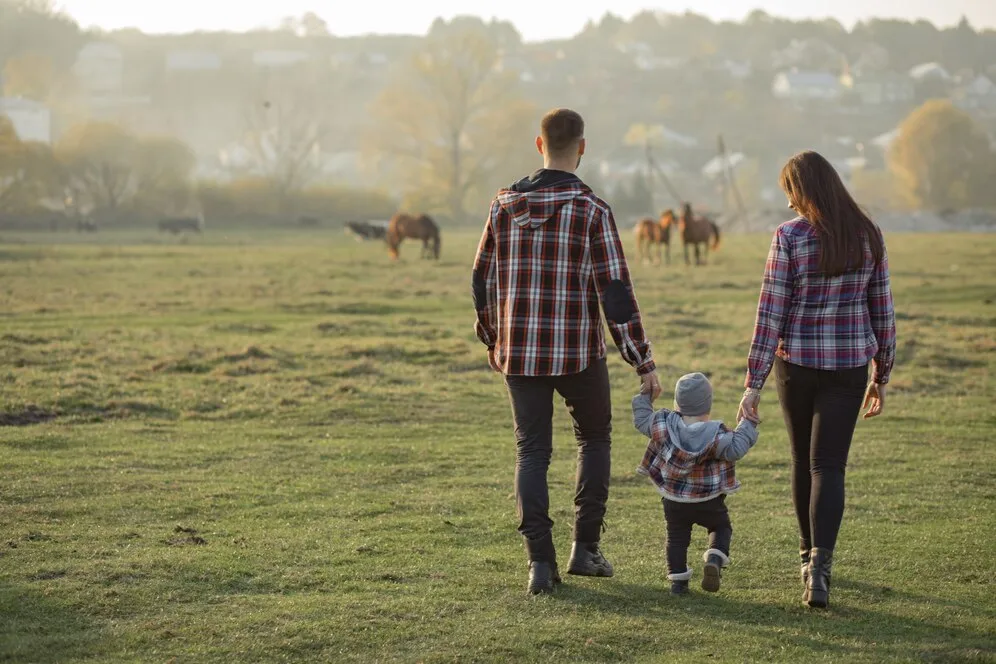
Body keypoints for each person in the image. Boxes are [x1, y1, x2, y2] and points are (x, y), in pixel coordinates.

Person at [472, 108, 662, 595]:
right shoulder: (592, 210)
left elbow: (482, 280)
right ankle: (585, 549)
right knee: (594, 440)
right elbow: (615, 293)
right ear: (582, 147)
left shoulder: (502, 206)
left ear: (539, 145)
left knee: (531, 452)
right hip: (578, 351)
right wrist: (641, 360)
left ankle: (539, 563)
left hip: (520, 353)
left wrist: (494, 338)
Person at [738, 150, 897, 609]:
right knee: (829, 465)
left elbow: (771, 314)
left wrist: (753, 384)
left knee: (800, 460)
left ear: (803, 192)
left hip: (798, 367)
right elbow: (882, 313)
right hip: (849, 367)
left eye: (791, 193)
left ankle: (807, 560)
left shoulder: (789, 238)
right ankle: (821, 571)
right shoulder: (868, 236)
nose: (789, 205)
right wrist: (881, 373)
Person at [633, 372, 759, 595]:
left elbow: (642, 420)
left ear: (677, 403)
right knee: (720, 527)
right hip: (708, 500)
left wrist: (645, 397)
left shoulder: (663, 424)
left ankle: (678, 584)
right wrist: (747, 422)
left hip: (674, 500)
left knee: (676, 537)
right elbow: (737, 448)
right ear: (708, 405)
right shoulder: (716, 435)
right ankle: (714, 558)